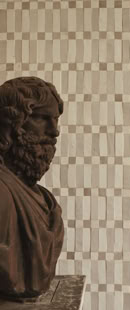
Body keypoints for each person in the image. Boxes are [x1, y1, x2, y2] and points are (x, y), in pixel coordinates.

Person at [0, 77, 64, 299]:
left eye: (55, 119)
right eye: (41, 118)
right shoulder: (3, 195)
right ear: (10, 125)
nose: (54, 131)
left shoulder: (45, 200)